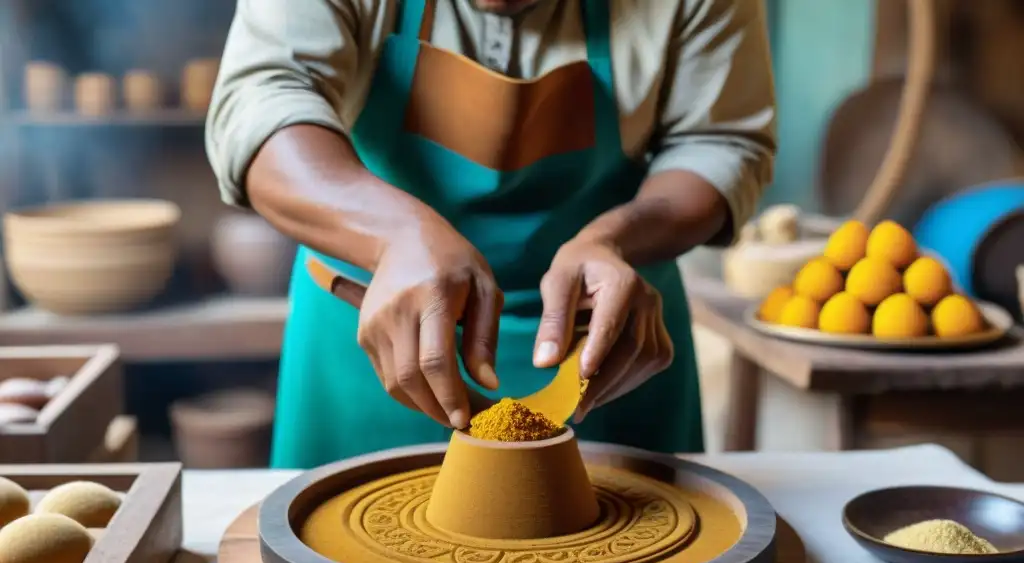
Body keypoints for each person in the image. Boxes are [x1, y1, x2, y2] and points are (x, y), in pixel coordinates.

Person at [206, 0, 776, 468]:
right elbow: (263, 98)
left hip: (604, 343)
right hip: (370, 337)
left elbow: (720, 141)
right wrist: (394, 235)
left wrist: (617, 242)